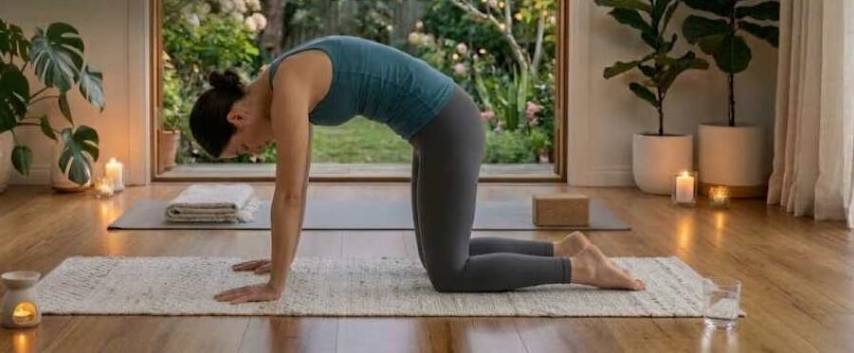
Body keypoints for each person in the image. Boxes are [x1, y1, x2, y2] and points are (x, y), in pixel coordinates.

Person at [189, 35, 645, 304]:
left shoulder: (287, 84)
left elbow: (290, 193)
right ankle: (560, 249)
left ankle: (578, 269)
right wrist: (281, 259)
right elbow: (296, 190)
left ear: (237, 118)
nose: (254, 151)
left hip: (448, 125)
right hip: (433, 130)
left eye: (242, 149)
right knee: (438, 257)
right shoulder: (280, 78)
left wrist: (276, 285)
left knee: (451, 276)